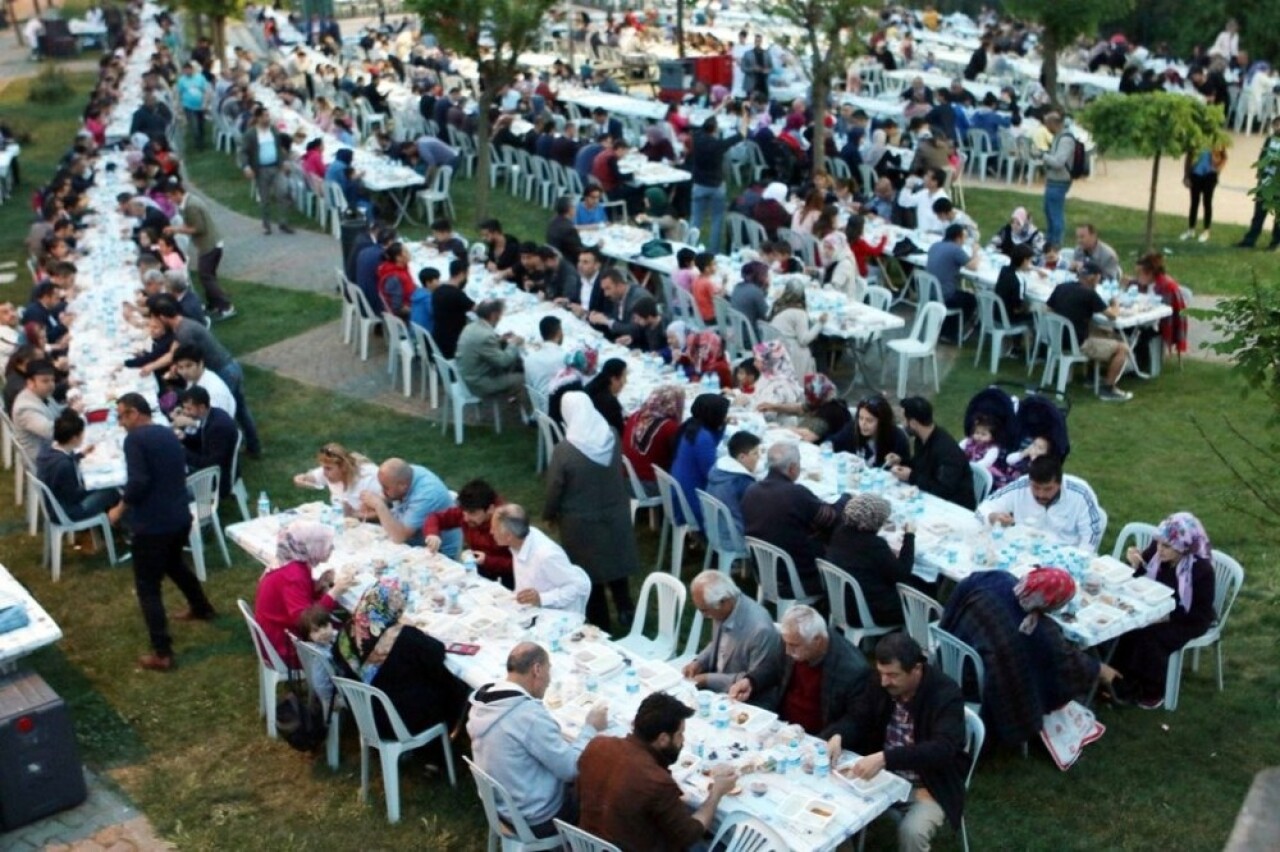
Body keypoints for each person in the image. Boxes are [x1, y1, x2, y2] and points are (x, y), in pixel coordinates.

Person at [939, 567, 1118, 744]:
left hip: (950, 651)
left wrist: (945, 624)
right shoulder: (1040, 633)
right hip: (977, 681)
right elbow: (1066, 663)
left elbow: (962, 589)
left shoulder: (995, 579)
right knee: (1033, 674)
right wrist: (1098, 669)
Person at [826, 633, 967, 852]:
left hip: (929, 783)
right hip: (882, 778)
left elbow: (943, 748)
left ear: (917, 669)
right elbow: (859, 715)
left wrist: (885, 759)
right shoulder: (881, 683)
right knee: (831, 808)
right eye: (881, 673)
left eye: (892, 675)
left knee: (912, 832)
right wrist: (839, 735)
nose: (884, 681)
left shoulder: (945, 694)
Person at [116, 394, 216, 672]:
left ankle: (162, 652)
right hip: (180, 517)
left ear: (135, 414)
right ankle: (201, 607)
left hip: (153, 525)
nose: (121, 423)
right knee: (174, 564)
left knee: (148, 586)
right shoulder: (166, 433)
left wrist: (120, 508)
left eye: (122, 416)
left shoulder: (135, 440)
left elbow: (138, 482)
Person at [468, 642, 607, 837]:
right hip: (539, 817)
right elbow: (571, 769)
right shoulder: (528, 717)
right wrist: (590, 728)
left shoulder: (484, 702)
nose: (549, 681)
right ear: (537, 669)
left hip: (501, 808)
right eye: (549, 671)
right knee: (602, 785)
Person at [578, 692, 736, 851]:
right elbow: (689, 834)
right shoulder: (656, 781)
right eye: (680, 734)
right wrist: (716, 793)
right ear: (663, 739)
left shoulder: (596, 746)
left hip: (587, 845)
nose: (683, 740)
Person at [544, 392, 639, 632]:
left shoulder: (564, 451)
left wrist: (549, 513)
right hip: (615, 512)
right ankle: (626, 609)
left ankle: (600, 621)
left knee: (590, 575)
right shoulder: (611, 436)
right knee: (616, 565)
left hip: (580, 522)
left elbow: (555, 487)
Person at [333, 579, 468, 740]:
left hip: (363, 711)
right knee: (455, 685)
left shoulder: (349, 628)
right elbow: (437, 652)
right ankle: (439, 746)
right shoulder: (403, 637)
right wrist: (411, 628)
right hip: (397, 720)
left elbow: (336, 655)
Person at [1111, 513, 1217, 709]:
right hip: (1157, 607)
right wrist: (1134, 564)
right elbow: (1143, 577)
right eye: (1158, 542)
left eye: (1167, 546)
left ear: (1183, 547)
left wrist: (1167, 616)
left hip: (1188, 618)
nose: (1159, 549)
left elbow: (1200, 613)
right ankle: (1121, 677)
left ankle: (1152, 690)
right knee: (1127, 625)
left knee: (1151, 637)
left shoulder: (1201, 570)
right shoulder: (1157, 551)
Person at [742, 442, 846, 596]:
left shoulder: (751, 491)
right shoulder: (795, 494)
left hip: (764, 569)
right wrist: (845, 499)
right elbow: (830, 517)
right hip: (799, 575)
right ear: (792, 468)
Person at [253, 520, 356, 668]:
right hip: (286, 647)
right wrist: (335, 592)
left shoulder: (289, 562)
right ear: (309, 546)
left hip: (276, 634)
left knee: (344, 624)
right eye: (325, 544)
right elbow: (307, 622)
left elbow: (299, 601)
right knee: (350, 635)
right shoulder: (294, 574)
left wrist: (317, 587)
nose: (331, 547)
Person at [826, 493, 932, 627]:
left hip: (840, 601)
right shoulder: (873, 545)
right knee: (923, 588)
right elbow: (902, 574)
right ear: (876, 522)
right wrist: (909, 536)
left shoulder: (840, 532)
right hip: (868, 610)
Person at [682, 571, 784, 708]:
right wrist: (699, 662)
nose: (704, 616)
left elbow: (756, 678)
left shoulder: (760, 630)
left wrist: (707, 680)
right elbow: (718, 644)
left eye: (705, 611)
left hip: (747, 700)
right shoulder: (722, 609)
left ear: (723, 601)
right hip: (720, 690)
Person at [776, 605, 870, 735]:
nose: (787, 651)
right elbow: (774, 673)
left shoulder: (852, 669)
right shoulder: (793, 640)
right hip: (782, 726)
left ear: (817, 641)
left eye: (794, 646)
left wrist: (836, 735)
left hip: (817, 737)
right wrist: (752, 681)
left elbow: (856, 718)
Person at [979, 455, 1106, 551]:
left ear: (1060, 483)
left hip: (1064, 555)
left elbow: (1091, 537)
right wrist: (992, 516)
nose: (1041, 494)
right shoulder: (1021, 486)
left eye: (1048, 489)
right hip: (1024, 551)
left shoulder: (1081, 494)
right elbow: (983, 508)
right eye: (1036, 487)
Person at [1047, 261, 1132, 402]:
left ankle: (1091, 376)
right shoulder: (1089, 294)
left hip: (1057, 339)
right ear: (1093, 277)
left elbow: (1049, 310)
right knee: (1122, 348)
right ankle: (1108, 389)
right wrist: (1115, 303)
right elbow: (1112, 315)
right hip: (1079, 344)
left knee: (1103, 332)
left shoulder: (1061, 287)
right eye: (1099, 278)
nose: (1099, 282)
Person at [490, 505, 591, 616]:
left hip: (556, 614)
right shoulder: (520, 540)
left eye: (494, 529)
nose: (491, 532)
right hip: (529, 610)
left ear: (509, 536)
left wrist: (542, 598)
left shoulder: (547, 555)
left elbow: (577, 586)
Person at [37, 410, 124, 525]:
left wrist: (81, 455)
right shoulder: (64, 465)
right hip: (69, 511)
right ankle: (117, 523)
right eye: (82, 434)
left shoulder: (48, 449)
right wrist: (95, 485)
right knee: (113, 490)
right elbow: (74, 496)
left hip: (56, 505)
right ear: (74, 438)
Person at [163, 180, 234, 320]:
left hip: (208, 245)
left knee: (206, 277)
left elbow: (198, 228)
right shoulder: (190, 201)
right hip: (212, 243)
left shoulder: (191, 206)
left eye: (171, 197)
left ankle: (226, 306)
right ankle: (214, 304)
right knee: (208, 276)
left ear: (177, 193)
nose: (170, 200)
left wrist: (176, 229)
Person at [890, 396, 975, 509]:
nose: (902, 424)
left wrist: (911, 476)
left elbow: (942, 490)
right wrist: (901, 461)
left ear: (914, 423)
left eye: (904, 420)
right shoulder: (921, 439)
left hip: (955, 507)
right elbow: (920, 465)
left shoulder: (946, 450)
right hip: (932, 500)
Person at [423, 479, 513, 587]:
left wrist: (488, 561)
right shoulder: (466, 512)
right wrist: (432, 533)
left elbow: (519, 563)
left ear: (490, 509)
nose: (465, 518)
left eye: (472, 513)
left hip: (509, 578)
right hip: (479, 568)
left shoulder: (508, 524)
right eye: (464, 512)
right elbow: (435, 517)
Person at [359, 458, 459, 551]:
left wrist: (379, 505)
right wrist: (378, 503)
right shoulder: (406, 475)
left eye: (386, 488)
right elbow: (391, 497)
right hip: (417, 540)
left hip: (439, 550)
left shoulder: (425, 495)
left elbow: (399, 537)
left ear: (403, 486)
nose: (382, 491)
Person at [689, 108, 749, 254]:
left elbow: (705, 118)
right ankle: (713, 251)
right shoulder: (719, 145)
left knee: (696, 218)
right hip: (716, 185)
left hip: (699, 184)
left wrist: (722, 106)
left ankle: (690, 246)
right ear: (715, 129)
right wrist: (746, 116)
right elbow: (742, 134)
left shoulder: (696, 138)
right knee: (717, 219)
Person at [670, 393, 730, 529]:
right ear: (714, 415)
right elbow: (712, 475)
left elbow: (712, 444)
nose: (725, 417)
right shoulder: (703, 438)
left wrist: (722, 426)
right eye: (723, 414)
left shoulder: (691, 427)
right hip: (693, 501)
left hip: (681, 494)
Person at [238, 106, 295, 236]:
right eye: (265, 116)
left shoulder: (273, 131)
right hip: (261, 169)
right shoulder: (251, 134)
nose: (267, 118)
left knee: (283, 192)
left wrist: (284, 161)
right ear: (258, 118)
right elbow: (243, 152)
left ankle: (283, 222)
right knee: (265, 198)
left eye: (268, 116)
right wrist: (246, 167)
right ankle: (266, 225)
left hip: (276, 167)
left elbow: (279, 148)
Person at [456, 300, 525, 399]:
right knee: (521, 378)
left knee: (510, 357)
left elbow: (481, 347)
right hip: (478, 383)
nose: (500, 318)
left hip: (468, 375)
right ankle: (519, 408)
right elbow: (504, 361)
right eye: (500, 315)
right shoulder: (486, 335)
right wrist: (514, 343)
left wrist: (499, 340)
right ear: (493, 315)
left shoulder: (471, 326)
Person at [622, 385, 684, 495]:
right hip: (649, 484)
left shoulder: (635, 416)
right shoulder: (669, 427)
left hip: (627, 479)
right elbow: (678, 456)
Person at [175, 386, 237, 496]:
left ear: (202, 407)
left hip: (215, 480)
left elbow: (212, 464)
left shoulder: (218, 427)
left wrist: (183, 453)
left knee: (171, 484)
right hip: (212, 469)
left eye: (189, 409)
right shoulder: (211, 415)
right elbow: (201, 439)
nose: (186, 412)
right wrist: (184, 437)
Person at [292, 442, 380, 516]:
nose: (324, 473)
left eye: (328, 468)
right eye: (323, 468)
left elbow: (386, 511)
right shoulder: (331, 472)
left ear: (344, 467)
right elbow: (310, 477)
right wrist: (302, 478)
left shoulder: (368, 480)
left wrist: (354, 514)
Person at [925, 223, 979, 342]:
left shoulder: (934, 246)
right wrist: (975, 252)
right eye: (964, 237)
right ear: (958, 237)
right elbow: (973, 266)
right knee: (971, 300)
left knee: (963, 293)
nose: (964, 240)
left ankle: (944, 327)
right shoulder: (955, 249)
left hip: (928, 291)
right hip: (944, 294)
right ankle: (950, 332)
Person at [1235, 116, 1280, 251]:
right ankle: (1250, 239)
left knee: (1278, 216)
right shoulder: (1270, 139)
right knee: (1259, 212)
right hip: (1265, 182)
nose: (1276, 128)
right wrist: (1260, 170)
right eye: (1275, 126)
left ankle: (1275, 243)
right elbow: (1263, 155)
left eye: (1278, 125)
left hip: (1277, 185)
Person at [706, 430, 762, 537]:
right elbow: (756, 513)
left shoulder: (718, 469)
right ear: (742, 457)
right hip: (733, 536)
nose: (758, 457)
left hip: (715, 528)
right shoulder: (742, 482)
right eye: (755, 453)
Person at [830, 394, 911, 466]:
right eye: (861, 418)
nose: (863, 424)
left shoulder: (897, 437)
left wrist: (898, 460)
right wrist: (827, 445)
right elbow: (834, 441)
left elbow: (908, 466)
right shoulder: (853, 427)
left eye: (869, 420)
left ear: (882, 422)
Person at [768, 279, 825, 377]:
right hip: (787, 348)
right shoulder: (799, 312)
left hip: (773, 344)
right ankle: (813, 382)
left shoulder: (777, 304)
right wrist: (820, 323)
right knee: (816, 348)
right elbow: (803, 340)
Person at [11, 359, 64, 463]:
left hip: (54, 450)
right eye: (45, 381)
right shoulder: (25, 408)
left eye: (52, 380)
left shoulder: (42, 394)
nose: (51, 385)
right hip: (44, 462)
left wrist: (72, 408)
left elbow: (58, 412)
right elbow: (52, 431)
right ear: (30, 383)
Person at [1038, 111, 1077, 248]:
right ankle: (1050, 241)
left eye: (1047, 124)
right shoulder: (1057, 137)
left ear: (1055, 123)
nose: (1046, 127)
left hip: (1059, 182)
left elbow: (1059, 162)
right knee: (1048, 211)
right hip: (1053, 180)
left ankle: (1056, 243)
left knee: (1055, 214)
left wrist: (1043, 156)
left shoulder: (1066, 139)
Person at [170, 343, 235, 417]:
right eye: (180, 367)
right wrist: (183, 411)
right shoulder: (193, 379)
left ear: (201, 363)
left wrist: (190, 422)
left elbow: (217, 421)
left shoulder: (214, 390)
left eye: (189, 366)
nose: (184, 372)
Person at [431, 258, 476, 359]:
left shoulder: (438, 290)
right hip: (454, 344)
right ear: (461, 274)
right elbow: (479, 310)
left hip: (439, 338)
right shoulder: (457, 295)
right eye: (467, 275)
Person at [1181, 145, 1228, 243]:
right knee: (1194, 203)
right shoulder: (1197, 141)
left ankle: (1206, 230)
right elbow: (1189, 158)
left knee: (1207, 203)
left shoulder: (1217, 140)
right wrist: (1186, 176)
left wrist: (1218, 169)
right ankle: (1191, 229)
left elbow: (1224, 156)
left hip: (1210, 175)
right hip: (1196, 174)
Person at [584, 357, 627, 435]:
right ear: (614, 379)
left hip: (586, 428)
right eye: (624, 377)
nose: (625, 381)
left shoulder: (593, 384)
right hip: (600, 437)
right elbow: (621, 432)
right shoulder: (610, 403)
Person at [730, 260, 771, 332]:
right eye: (766, 275)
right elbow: (767, 316)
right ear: (760, 276)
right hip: (750, 335)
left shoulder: (738, 286)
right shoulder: (755, 292)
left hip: (737, 331)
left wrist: (764, 289)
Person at [547, 196, 584, 264]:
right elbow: (579, 251)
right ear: (570, 209)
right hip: (567, 261)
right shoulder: (568, 229)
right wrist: (596, 247)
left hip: (554, 256)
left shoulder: (553, 222)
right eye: (574, 207)